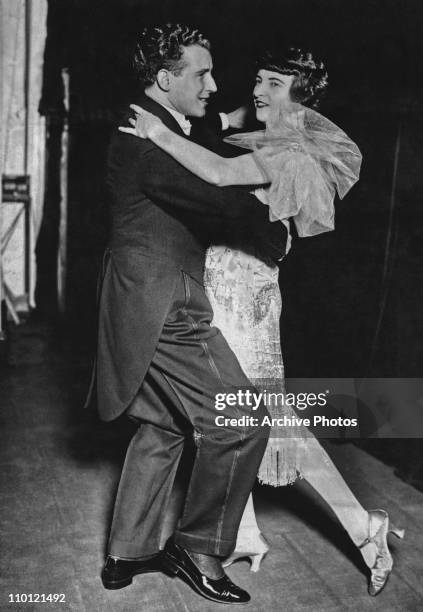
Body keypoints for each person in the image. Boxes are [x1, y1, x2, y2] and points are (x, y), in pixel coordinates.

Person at [120, 46, 405, 597]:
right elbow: (222, 129)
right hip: (224, 285)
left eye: (274, 83)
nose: (259, 89)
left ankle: (364, 526)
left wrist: (157, 132)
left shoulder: (293, 152)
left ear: (299, 96)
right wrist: (206, 116)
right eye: (259, 78)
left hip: (246, 294)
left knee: (264, 421)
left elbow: (221, 173)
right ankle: (245, 531)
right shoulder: (266, 134)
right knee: (233, 418)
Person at [88, 24, 292, 605]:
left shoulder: (162, 124)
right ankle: (198, 548)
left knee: (163, 425)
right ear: (164, 79)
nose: (212, 83)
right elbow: (215, 199)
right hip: (165, 301)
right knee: (243, 416)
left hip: (135, 298)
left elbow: (207, 129)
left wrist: (239, 119)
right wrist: (277, 232)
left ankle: (126, 553)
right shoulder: (143, 139)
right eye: (200, 74)